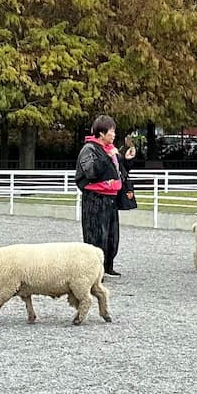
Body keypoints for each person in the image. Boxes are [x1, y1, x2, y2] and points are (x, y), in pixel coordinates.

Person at [74, 116, 127, 276]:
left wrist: (127, 160)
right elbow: (91, 172)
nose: (114, 134)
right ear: (101, 133)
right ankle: (94, 270)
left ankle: (108, 265)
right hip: (95, 197)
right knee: (96, 234)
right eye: (111, 131)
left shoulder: (109, 149)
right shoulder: (89, 149)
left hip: (110, 197)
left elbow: (118, 172)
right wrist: (108, 157)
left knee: (112, 235)